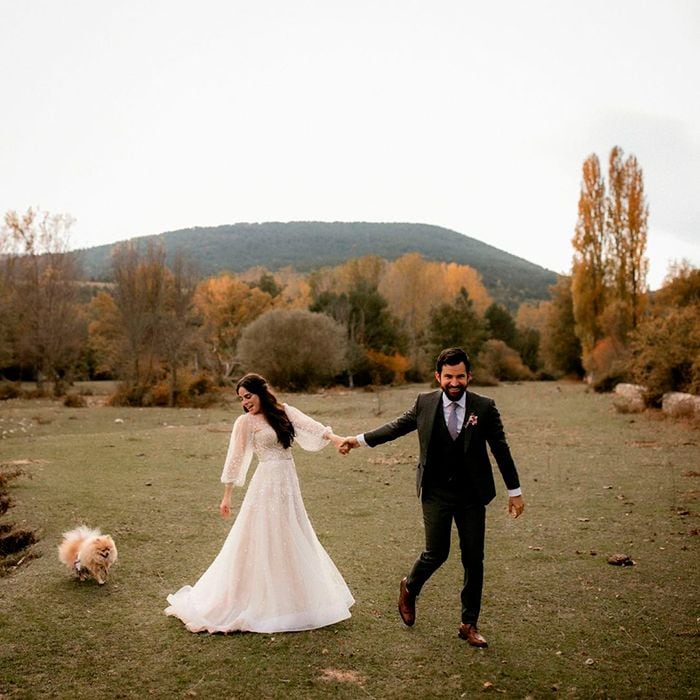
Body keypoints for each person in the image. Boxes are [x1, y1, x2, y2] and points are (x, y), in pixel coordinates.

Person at [340, 347, 524, 647]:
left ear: (469, 377)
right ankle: (410, 588)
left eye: (460, 376)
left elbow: (501, 449)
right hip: (436, 492)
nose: (454, 382)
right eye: (448, 376)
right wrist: (358, 440)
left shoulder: (485, 407)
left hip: (472, 494)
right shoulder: (424, 403)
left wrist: (514, 492)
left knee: (473, 559)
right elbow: (396, 427)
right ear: (438, 377)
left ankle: (469, 624)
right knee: (437, 553)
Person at [165, 373, 354, 633]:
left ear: (261, 392)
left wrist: (338, 441)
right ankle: (254, 597)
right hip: (265, 482)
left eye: (248, 396)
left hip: (288, 482)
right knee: (263, 534)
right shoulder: (245, 422)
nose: (245, 402)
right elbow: (235, 457)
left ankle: (295, 598)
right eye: (241, 399)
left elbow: (313, 427)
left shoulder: (283, 412)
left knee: (292, 531)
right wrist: (227, 495)